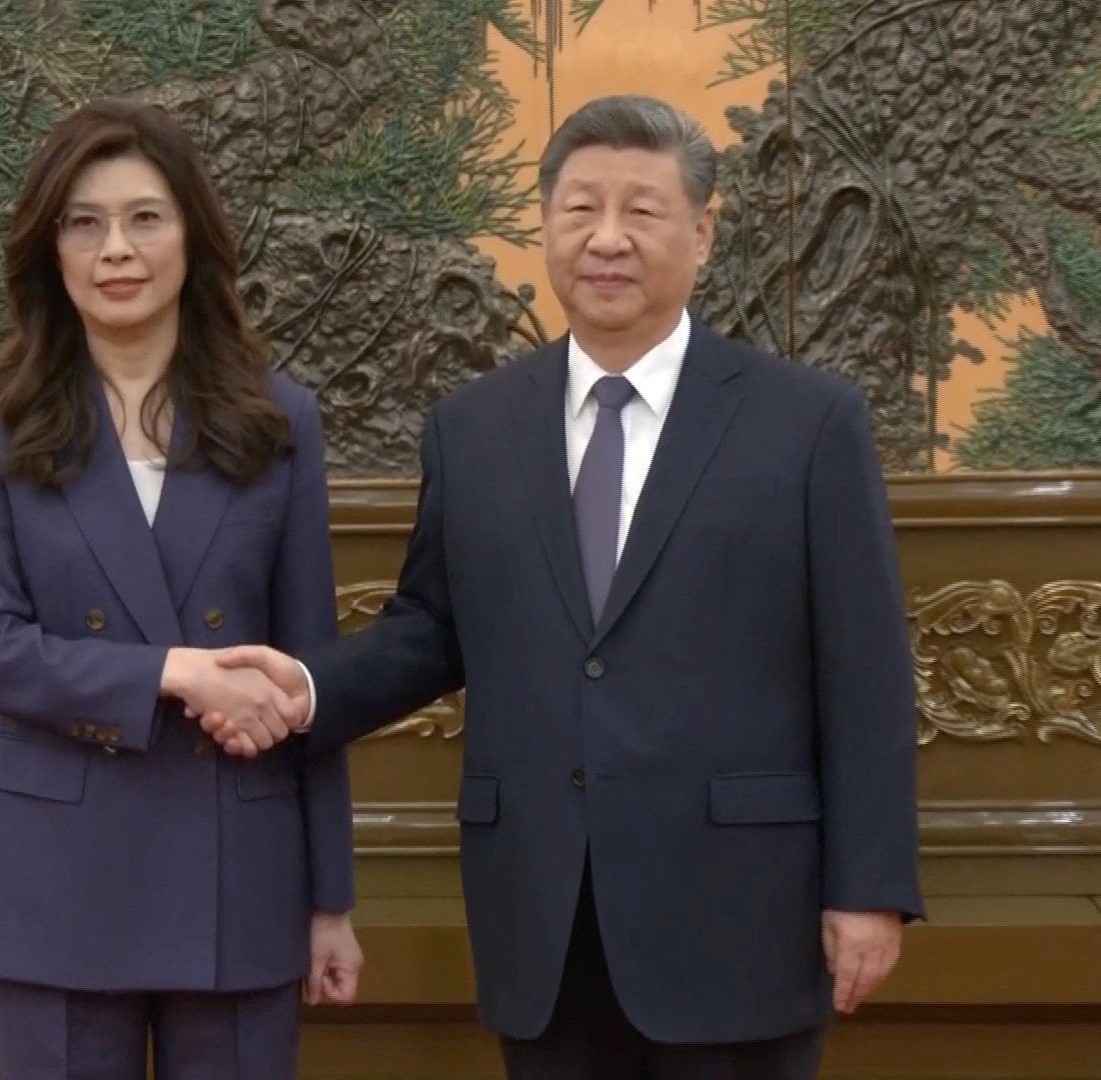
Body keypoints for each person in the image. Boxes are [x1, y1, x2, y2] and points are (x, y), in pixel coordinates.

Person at [205, 94, 923, 1080]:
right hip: (544, 912)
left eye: (643, 210)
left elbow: (867, 671)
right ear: (544, 229)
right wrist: (308, 690)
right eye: (580, 209)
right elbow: (431, 629)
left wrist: (870, 888)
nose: (608, 239)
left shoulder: (807, 424)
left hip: (739, 915)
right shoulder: (475, 428)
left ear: (704, 234)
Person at [0, 98, 361, 1080]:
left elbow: (310, 678)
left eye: (144, 218)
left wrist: (330, 898)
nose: (115, 249)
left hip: (241, 869)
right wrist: (176, 672)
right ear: (50, 250)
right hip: (56, 872)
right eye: (84, 223)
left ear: (192, 239)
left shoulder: (276, 418)